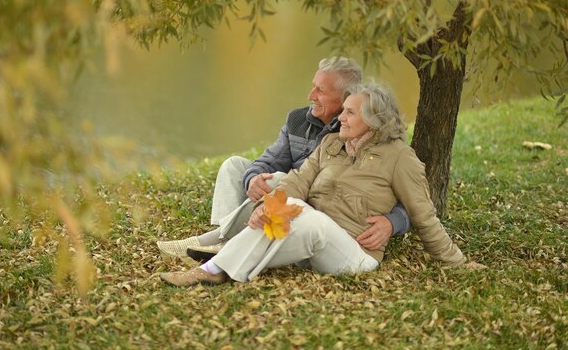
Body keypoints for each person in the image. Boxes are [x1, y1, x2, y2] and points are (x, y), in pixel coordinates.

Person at [159, 82, 466, 286]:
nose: (340, 118)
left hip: (354, 254)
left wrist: (456, 262)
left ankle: (214, 264)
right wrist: (265, 208)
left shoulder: (400, 157)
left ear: (373, 121)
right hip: (310, 244)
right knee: (285, 208)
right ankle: (215, 266)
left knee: (300, 214)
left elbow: (424, 214)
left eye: (349, 112)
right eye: (342, 110)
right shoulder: (331, 144)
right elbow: (297, 181)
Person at [156, 57, 411, 258]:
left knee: (279, 181)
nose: (311, 95)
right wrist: (253, 179)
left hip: (314, 209)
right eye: (313, 86)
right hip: (286, 197)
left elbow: (404, 196)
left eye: (320, 90)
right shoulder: (298, 119)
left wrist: (393, 222)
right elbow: (268, 160)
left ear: (345, 99)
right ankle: (224, 240)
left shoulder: (360, 132)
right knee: (236, 166)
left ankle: (220, 244)